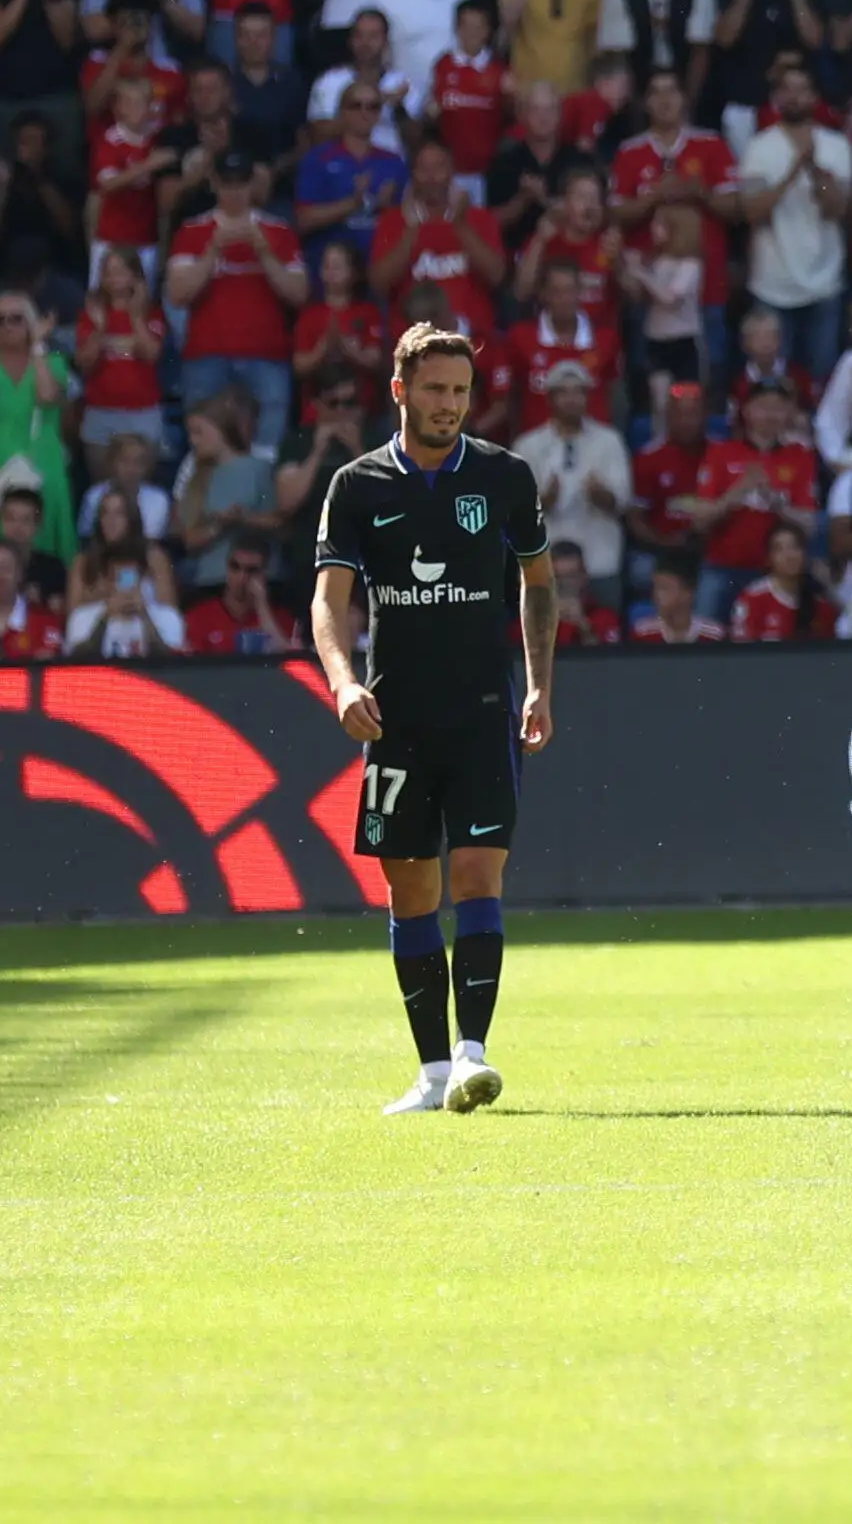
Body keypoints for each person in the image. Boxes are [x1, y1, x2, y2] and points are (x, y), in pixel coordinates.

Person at [311, 323, 556, 1120]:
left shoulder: (505, 477)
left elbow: (540, 584)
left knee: (479, 877)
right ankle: (431, 1071)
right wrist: (343, 683)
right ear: (400, 391)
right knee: (410, 889)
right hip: (396, 719)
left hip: (485, 710)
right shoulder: (356, 487)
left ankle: (474, 1054)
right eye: (435, 389)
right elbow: (329, 602)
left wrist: (538, 686)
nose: (449, 404)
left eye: (460, 390)